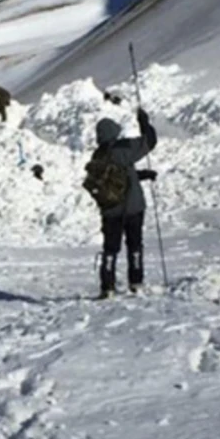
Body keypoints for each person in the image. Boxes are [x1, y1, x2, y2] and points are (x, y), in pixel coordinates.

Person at [90, 109, 158, 298]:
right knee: (134, 245)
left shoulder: (97, 156)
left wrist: (142, 175)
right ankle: (136, 283)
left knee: (110, 249)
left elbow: (118, 177)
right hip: (132, 208)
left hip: (110, 211)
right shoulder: (122, 149)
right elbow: (150, 141)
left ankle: (107, 287)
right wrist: (144, 121)